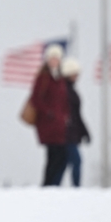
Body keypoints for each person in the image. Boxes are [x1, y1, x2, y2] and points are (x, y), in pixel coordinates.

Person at [29, 43, 69, 186]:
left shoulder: (61, 79)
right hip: (47, 124)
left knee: (62, 156)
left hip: (60, 124)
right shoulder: (43, 78)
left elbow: (64, 100)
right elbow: (35, 99)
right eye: (52, 58)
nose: (54, 61)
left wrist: (65, 116)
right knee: (53, 155)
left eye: (57, 58)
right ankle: (47, 185)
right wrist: (48, 112)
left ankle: (54, 184)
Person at [59, 57, 90, 187]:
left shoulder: (72, 92)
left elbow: (77, 115)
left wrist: (84, 132)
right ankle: (76, 188)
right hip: (65, 134)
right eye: (74, 73)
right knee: (75, 161)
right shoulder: (61, 91)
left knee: (62, 164)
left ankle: (51, 189)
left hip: (72, 134)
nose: (77, 77)